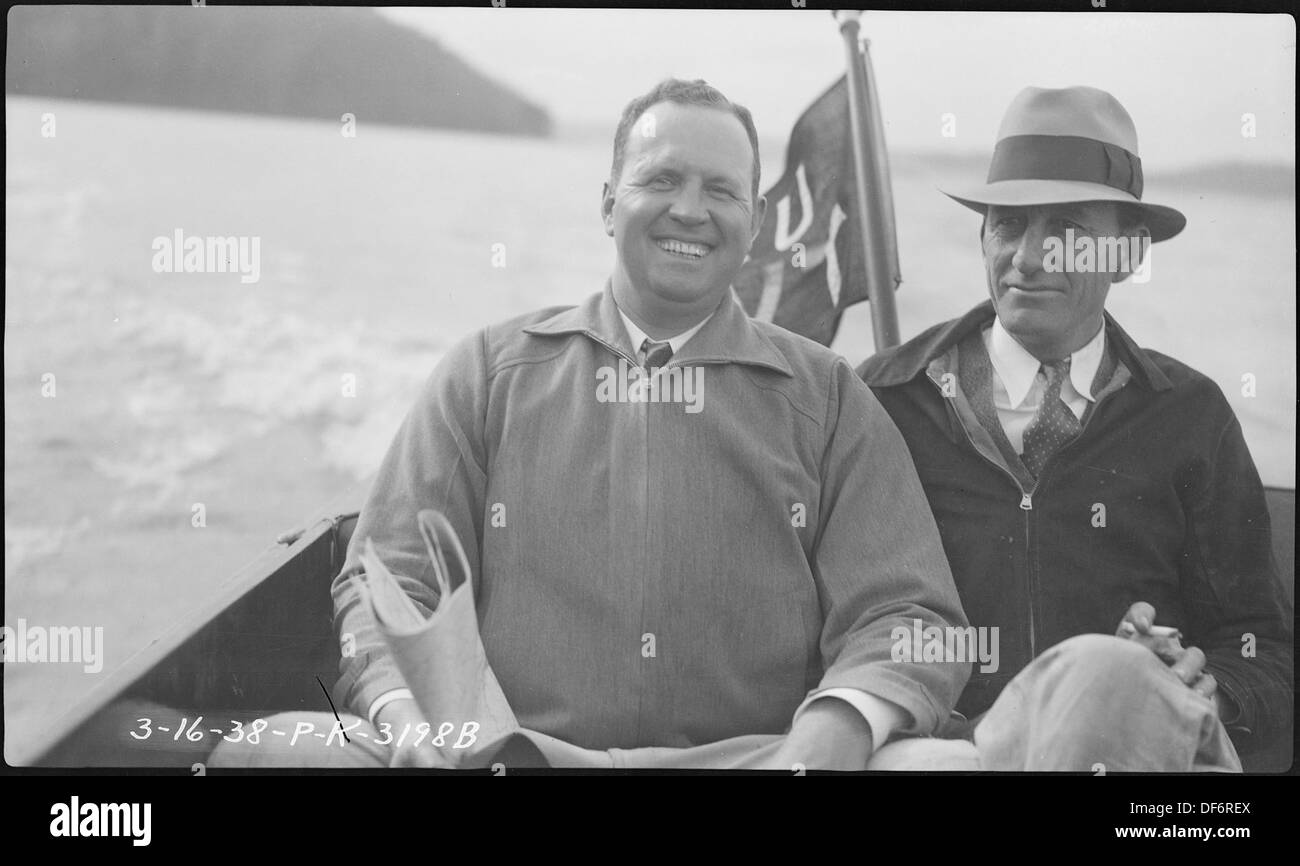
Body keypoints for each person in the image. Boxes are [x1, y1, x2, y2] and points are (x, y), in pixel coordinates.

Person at [211, 78, 968, 770]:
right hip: (505, 756)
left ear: (756, 217)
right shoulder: (489, 372)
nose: (690, 211)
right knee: (264, 752)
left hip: (759, 761)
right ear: (609, 202)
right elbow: (389, 580)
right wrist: (413, 724)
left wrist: (833, 731)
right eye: (661, 179)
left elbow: (906, 614)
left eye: (720, 190)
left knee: (954, 769)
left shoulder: (829, 397)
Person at [857, 86, 1292, 771]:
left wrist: (1206, 688)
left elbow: (1265, 652)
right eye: (1008, 224)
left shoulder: (1192, 418)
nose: (1028, 257)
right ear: (982, 237)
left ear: (1124, 256)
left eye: (1064, 230)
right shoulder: (885, 398)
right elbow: (832, 621)